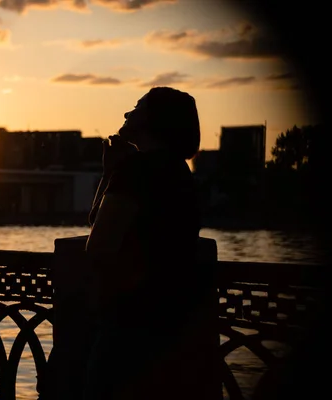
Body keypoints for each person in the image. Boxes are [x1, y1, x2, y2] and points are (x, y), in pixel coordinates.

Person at [84, 86, 207, 399]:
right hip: (174, 322)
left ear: (153, 120)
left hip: (128, 323)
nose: (127, 113)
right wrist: (111, 173)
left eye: (137, 108)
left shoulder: (137, 170)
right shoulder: (180, 172)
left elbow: (98, 243)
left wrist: (113, 172)